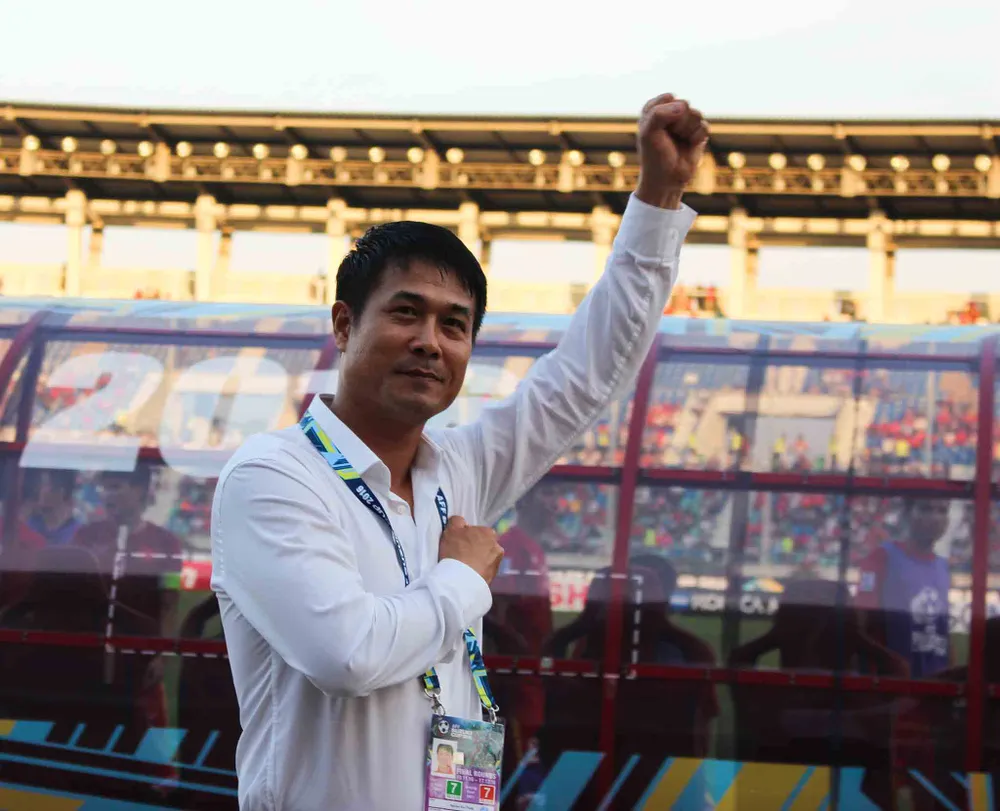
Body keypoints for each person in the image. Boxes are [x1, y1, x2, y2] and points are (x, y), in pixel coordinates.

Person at [210, 92, 708, 811]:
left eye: (454, 325)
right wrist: (462, 579)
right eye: (405, 312)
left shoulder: (458, 470)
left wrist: (658, 199)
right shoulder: (273, 475)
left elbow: (585, 377)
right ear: (345, 325)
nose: (429, 342)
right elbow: (346, 654)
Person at [855, 498, 951, 678]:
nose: (935, 518)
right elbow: (861, 621)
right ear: (907, 514)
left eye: (942, 511)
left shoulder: (943, 566)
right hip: (894, 682)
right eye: (926, 509)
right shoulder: (882, 556)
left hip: (935, 681)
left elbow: (943, 631)